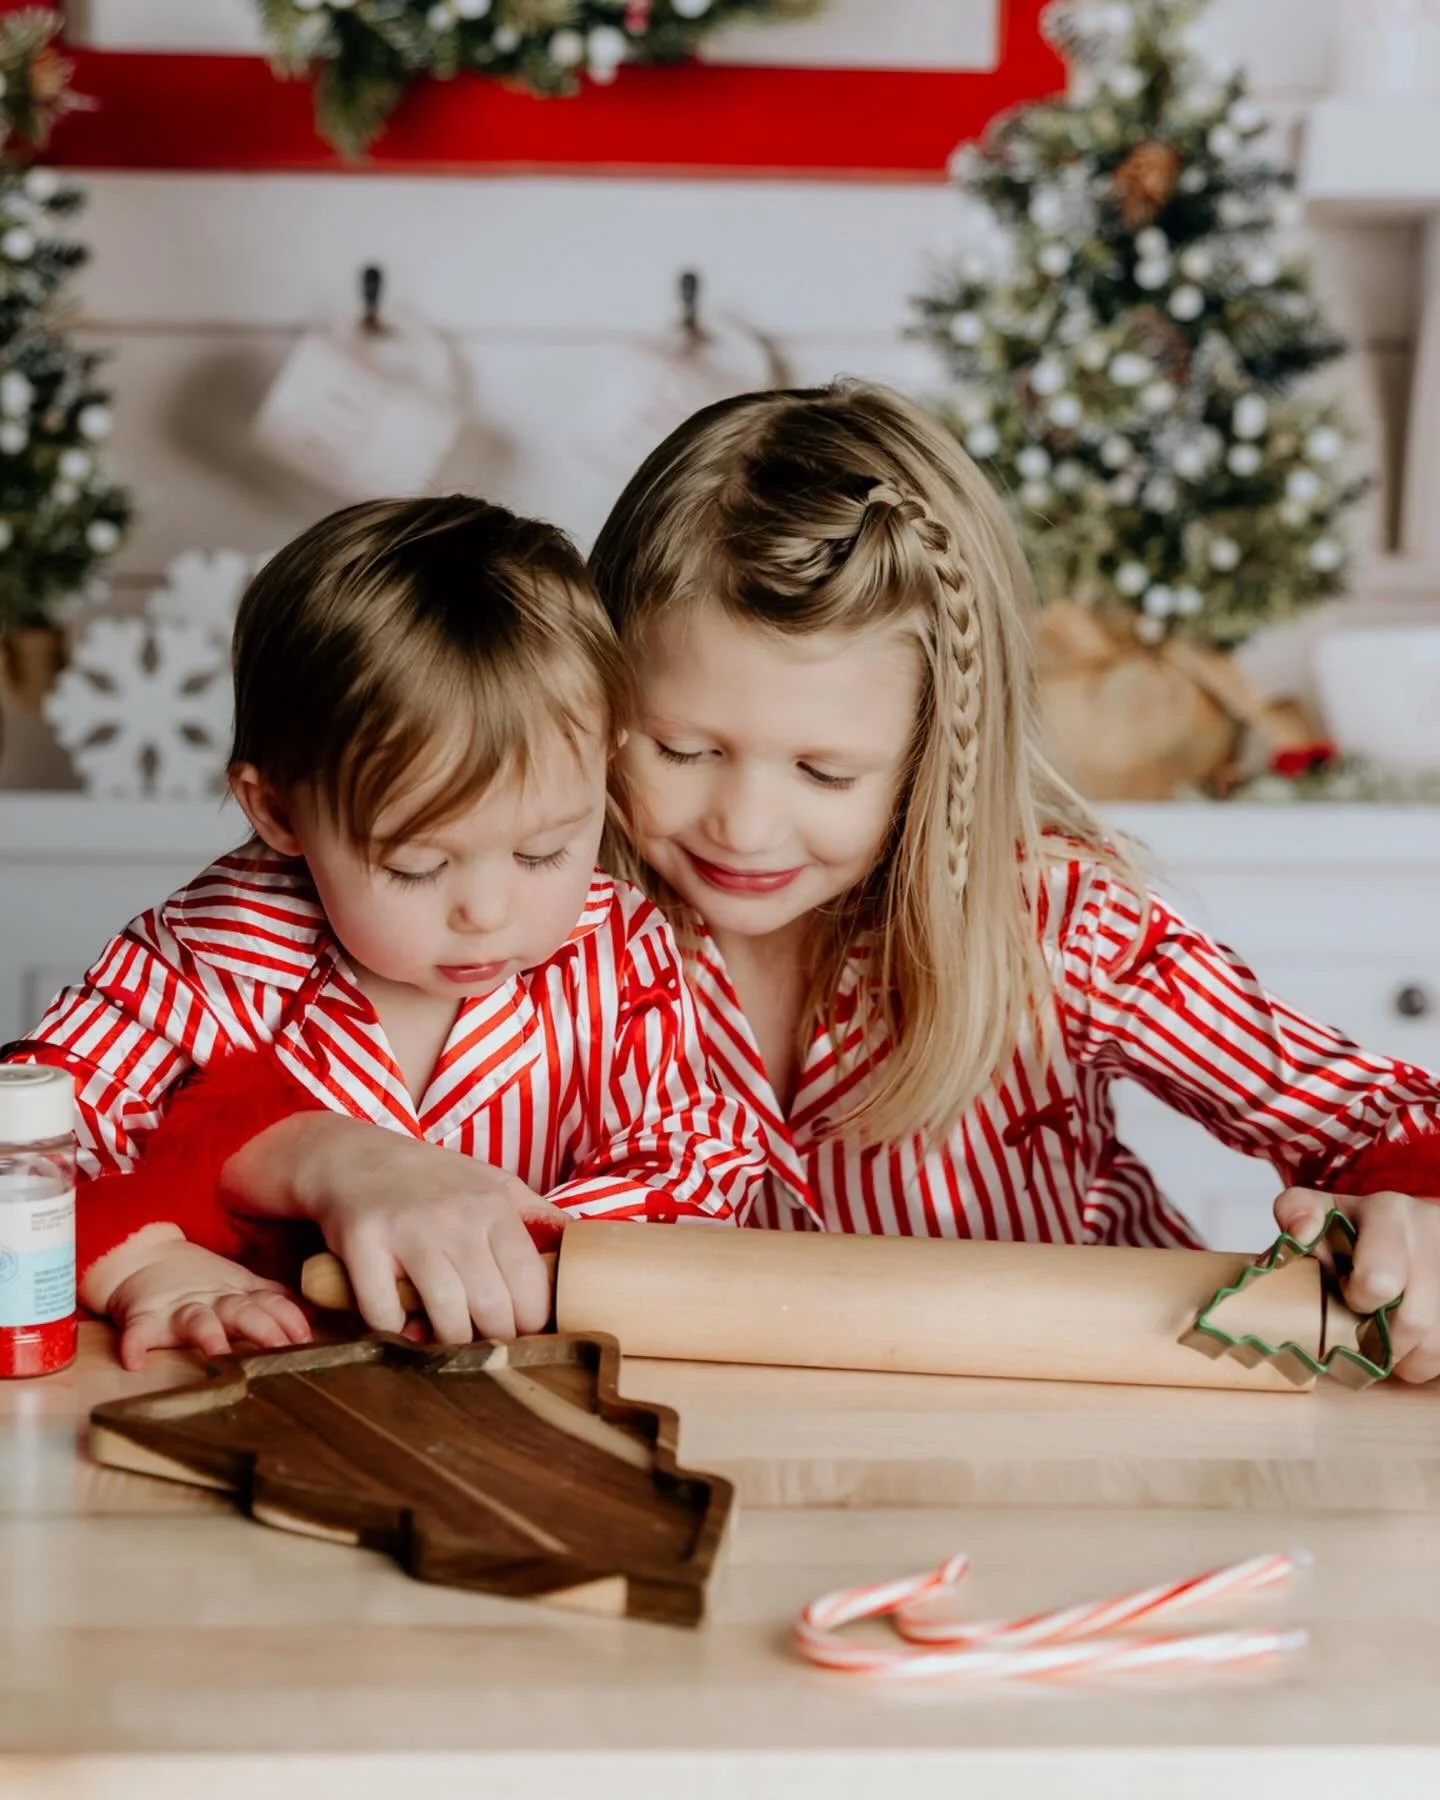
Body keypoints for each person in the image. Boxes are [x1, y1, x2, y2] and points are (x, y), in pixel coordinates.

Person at [84, 384, 1440, 1383]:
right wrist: (306, 1159)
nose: (743, 820)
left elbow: (1370, 1112)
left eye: (828, 772)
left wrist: (1415, 1218)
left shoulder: (1059, 926)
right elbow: (125, 1100)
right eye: (681, 749)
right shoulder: (531, 924)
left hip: (1070, 1461)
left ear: (933, 761)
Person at [3, 496, 764, 1369]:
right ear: (279, 810)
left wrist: (526, 1252)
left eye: (545, 850)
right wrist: (150, 1264)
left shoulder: (620, 957)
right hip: (271, 1401)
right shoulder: (203, 955)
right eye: (417, 866)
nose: (486, 909)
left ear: (606, 762)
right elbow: (26, 1138)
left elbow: (697, 1167)